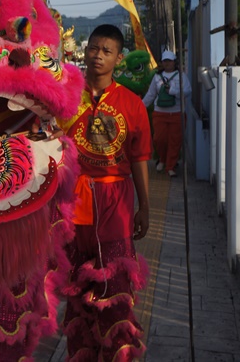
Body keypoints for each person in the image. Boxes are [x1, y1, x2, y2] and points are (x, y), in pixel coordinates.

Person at [58, 24, 152, 361]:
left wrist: (145, 207)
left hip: (116, 202)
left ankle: (118, 354)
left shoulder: (131, 103)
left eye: (106, 51)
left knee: (115, 286)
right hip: (74, 201)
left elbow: (140, 157)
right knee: (75, 284)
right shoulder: (65, 97)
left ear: (119, 58)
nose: (97, 55)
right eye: (93, 48)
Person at [142, 50, 192, 177]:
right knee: (159, 140)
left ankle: (170, 166)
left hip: (177, 113)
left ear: (174, 62)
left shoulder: (181, 76)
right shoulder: (157, 77)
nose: (167, 63)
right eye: (165, 61)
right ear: (162, 63)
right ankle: (162, 159)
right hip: (160, 113)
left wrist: (173, 91)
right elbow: (151, 95)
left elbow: (187, 91)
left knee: (175, 141)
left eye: (170, 61)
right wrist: (140, 107)